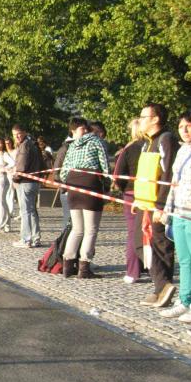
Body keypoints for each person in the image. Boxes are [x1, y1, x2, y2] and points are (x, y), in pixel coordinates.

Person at [134, 102, 178, 307]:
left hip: (158, 204)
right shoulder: (146, 143)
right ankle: (161, 286)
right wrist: (138, 199)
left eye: (144, 117)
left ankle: (163, 287)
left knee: (161, 246)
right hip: (144, 203)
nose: (140, 120)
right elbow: (143, 174)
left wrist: (161, 205)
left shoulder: (166, 139)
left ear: (155, 119)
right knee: (140, 245)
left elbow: (167, 174)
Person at [60, 118, 111, 278]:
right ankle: (84, 267)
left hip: (73, 184)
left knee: (77, 229)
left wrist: (68, 183)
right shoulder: (97, 141)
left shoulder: (72, 145)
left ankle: (67, 265)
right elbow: (105, 166)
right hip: (90, 183)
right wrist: (107, 185)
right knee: (91, 230)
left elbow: (63, 171)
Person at [158, 110, 191, 324]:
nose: (185, 130)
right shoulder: (182, 151)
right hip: (179, 212)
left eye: (189, 125)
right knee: (184, 260)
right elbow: (174, 184)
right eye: (181, 126)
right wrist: (167, 210)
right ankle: (185, 300)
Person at [113, 118, 146, 283]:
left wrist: (124, 188)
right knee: (152, 233)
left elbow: (117, 175)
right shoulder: (154, 146)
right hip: (152, 193)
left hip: (132, 193)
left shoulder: (128, 149)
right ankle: (151, 267)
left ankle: (133, 271)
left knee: (133, 232)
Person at [11, 124, 43, 248]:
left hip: (24, 182)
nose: (17, 137)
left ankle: (26, 239)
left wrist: (15, 178)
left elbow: (21, 167)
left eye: (18, 134)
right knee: (32, 211)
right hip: (34, 182)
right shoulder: (34, 144)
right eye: (14, 135)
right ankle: (36, 238)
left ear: (24, 132)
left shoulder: (24, 146)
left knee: (25, 212)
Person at [53, 130, 75, 229]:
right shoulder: (65, 148)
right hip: (67, 188)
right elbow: (56, 171)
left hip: (75, 188)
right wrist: (64, 185)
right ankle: (64, 238)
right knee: (68, 219)